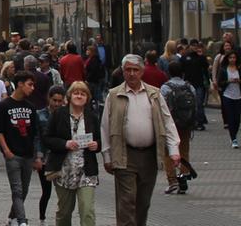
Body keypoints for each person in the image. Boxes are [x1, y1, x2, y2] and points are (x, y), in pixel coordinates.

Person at [99, 55, 181, 226]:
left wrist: (173, 150)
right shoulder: (113, 96)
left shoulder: (154, 94)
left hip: (149, 156)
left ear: (142, 72)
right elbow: (105, 127)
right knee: (126, 202)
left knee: (143, 203)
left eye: (135, 70)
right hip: (124, 155)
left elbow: (167, 122)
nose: (131, 74)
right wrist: (107, 157)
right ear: (122, 72)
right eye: (128, 70)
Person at [44, 82, 100, 226]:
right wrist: (65, 144)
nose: (79, 96)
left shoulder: (92, 116)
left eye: (82, 94)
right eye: (76, 93)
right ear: (69, 96)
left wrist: (96, 145)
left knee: (87, 210)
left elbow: (99, 140)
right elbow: (47, 138)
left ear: (87, 98)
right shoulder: (58, 114)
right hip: (64, 170)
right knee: (64, 212)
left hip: (86, 170)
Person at [0, 70, 40, 226]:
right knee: (17, 190)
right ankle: (22, 221)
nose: (32, 88)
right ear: (20, 84)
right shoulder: (3, 106)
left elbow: (35, 132)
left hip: (28, 154)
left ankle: (11, 217)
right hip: (13, 154)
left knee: (24, 190)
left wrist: (36, 155)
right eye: (30, 84)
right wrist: (6, 150)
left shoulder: (31, 107)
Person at [158, 69, 198, 194]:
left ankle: (172, 181)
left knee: (167, 152)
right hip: (186, 124)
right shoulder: (189, 87)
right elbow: (195, 104)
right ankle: (183, 179)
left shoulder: (165, 88)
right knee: (184, 150)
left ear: (168, 73)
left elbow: (161, 106)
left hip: (171, 124)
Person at [34, 86, 67, 225]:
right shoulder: (40, 114)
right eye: (55, 100)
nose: (57, 104)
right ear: (49, 98)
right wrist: (38, 157)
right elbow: (37, 137)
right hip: (46, 158)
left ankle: (61, 218)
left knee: (63, 192)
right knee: (46, 192)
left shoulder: (66, 114)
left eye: (60, 101)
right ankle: (42, 219)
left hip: (62, 158)